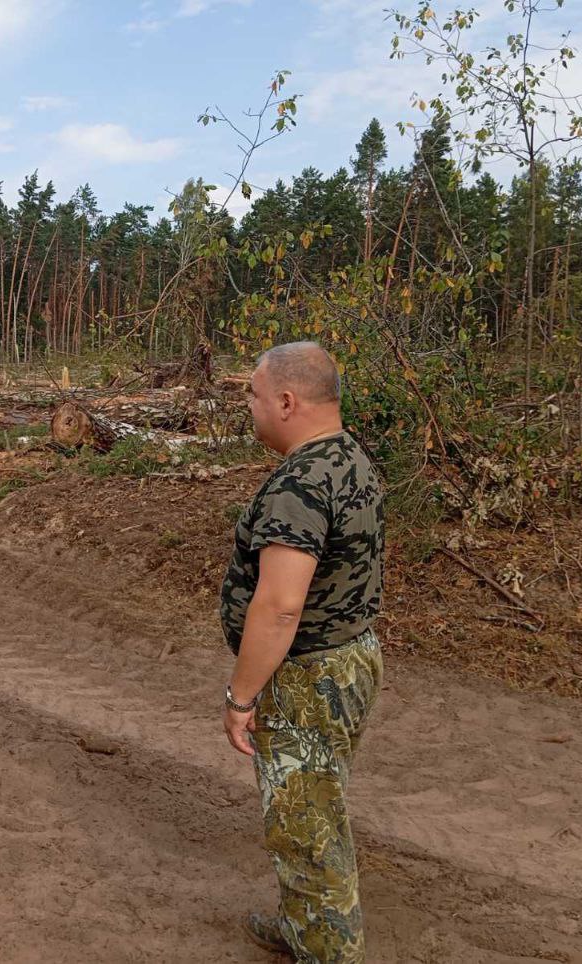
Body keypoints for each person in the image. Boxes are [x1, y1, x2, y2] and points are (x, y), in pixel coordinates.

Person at [218, 342, 385, 963]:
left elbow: (281, 604)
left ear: (287, 401)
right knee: (311, 803)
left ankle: (328, 951)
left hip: (310, 677)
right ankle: (301, 926)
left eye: (255, 396)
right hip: (348, 659)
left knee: (307, 828)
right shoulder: (349, 457)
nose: (251, 407)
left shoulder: (302, 483)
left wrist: (240, 696)